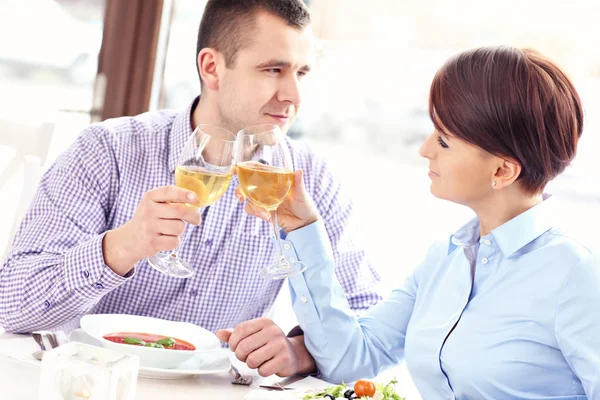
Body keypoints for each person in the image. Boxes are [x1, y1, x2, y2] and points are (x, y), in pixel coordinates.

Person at [0, 0, 382, 378]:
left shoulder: (309, 179)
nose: (294, 96)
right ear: (212, 68)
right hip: (95, 383)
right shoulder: (106, 151)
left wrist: (302, 351)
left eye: (301, 73)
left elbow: (370, 318)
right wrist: (121, 247)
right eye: (272, 70)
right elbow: (13, 304)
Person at [222, 46, 600, 398]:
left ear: (502, 170)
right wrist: (302, 227)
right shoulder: (446, 259)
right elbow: (349, 359)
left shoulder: (575, 275)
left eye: (445, 140)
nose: (425, 149)